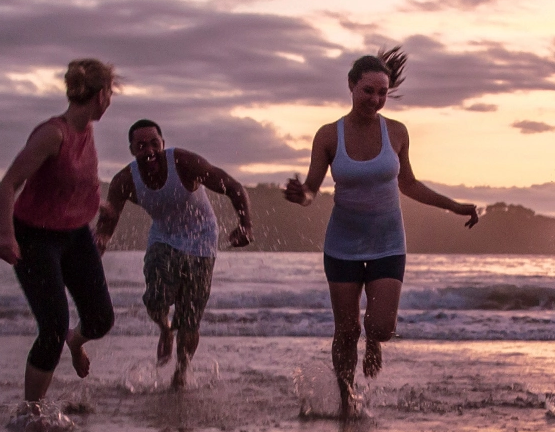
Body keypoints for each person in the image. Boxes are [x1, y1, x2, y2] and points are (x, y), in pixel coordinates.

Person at [284, 49, 480, 403]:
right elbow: (312, 191)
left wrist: (454, 206)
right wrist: (301, 195)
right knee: (346, 331)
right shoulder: (329, 135)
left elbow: (409, 184)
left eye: (382, 93)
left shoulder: (397, 132)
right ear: (351, 86)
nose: (375, 99)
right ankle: (347, 401)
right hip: (342, 244)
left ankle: (374, 342)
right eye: (367, 91)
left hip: (388, 242)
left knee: (380, 327)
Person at [0, 58, 119, 414]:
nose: (110, 100)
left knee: (100, 319)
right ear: (99, 95)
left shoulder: (88, 132)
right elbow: (8, 184)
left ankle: (74, 343)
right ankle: (31, 411)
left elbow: (77, 180)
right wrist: (6, 236)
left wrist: (99, 207)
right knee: (52, 326)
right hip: (33, 237)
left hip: (74, 234)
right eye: (109, 92)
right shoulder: (53, 134)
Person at [93, 118, 253, 390]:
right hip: (163, 239)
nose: (149, 151)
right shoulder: (125, 181)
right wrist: (96, 250)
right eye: (141, 146)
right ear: (132, 151)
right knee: (155, 301)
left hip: (201, 240)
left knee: (191, 316)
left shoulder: (183, 163)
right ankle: (165, 330)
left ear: (163, 144)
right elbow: (105, 227)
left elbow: (234, 187)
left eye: (154, 143)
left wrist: (245, 225)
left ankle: (182, 370)